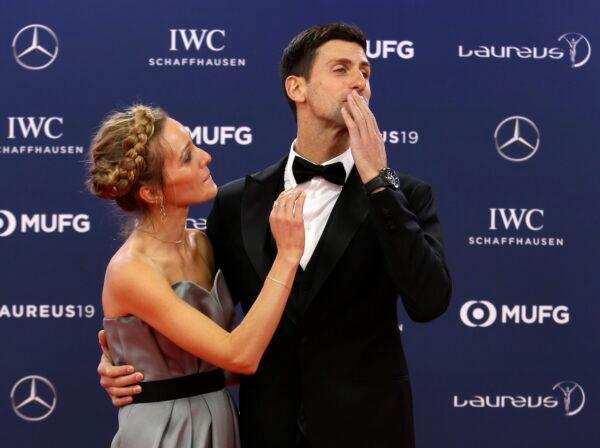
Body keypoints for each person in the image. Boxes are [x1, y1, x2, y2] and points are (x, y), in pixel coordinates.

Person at [99, 23, 452, 447]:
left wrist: (378, 182)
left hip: (369, 433)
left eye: (366, 72)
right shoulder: (236, 204)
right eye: (341, 69)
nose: (360, 82)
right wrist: (129, 363)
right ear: (296, 88)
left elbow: (429, 301)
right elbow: (201, 322)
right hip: (265, 434)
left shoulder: (406, 195)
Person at [88, 104, 306, 447]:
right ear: (152, 192)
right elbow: (239, 355)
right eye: (187, 156)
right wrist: (288, 255)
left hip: (219, 419)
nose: (206, 156)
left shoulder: (203, 244)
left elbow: (224, 366)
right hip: (163, 432)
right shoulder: (130, 270)